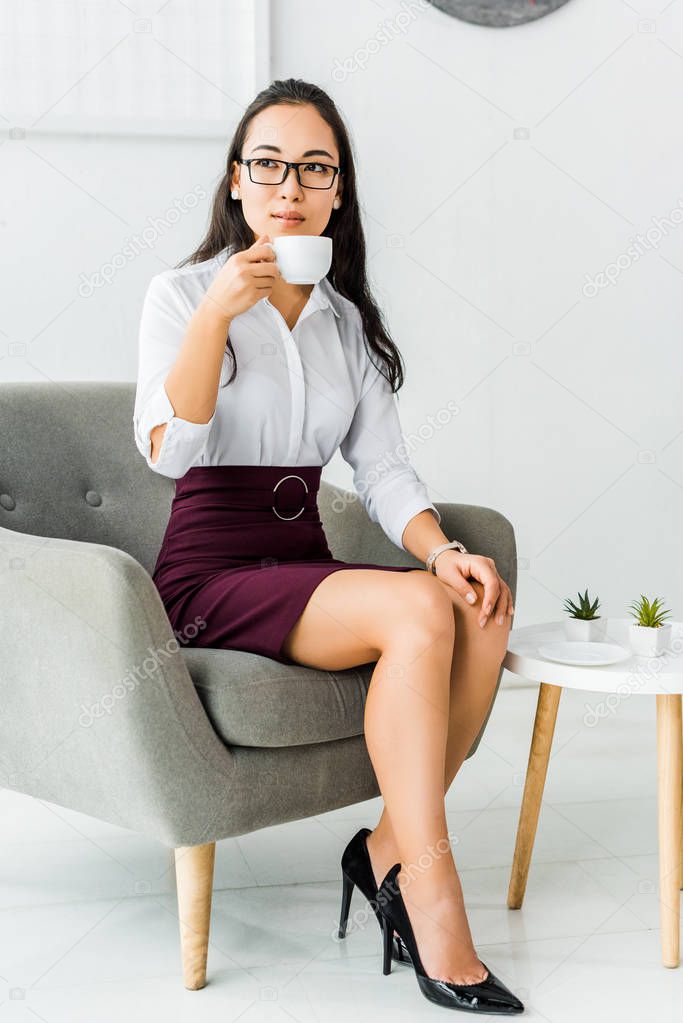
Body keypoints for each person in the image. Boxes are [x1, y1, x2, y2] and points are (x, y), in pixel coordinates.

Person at [133, 77, 521, 1014]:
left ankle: (386, 846)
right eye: (267, 164)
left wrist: (441, 552)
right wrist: (218, 314)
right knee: (421, 613)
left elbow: (384, 472)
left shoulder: (345, 321)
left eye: (313, 166)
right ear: (236, 182)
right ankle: (430, 893)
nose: (288, 185)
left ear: (337, 192)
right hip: (210, 567)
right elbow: (165, 450)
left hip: (300, 554)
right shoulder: (182, 293)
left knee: (473, 605)